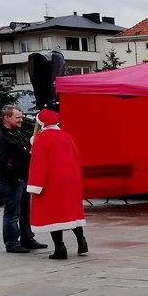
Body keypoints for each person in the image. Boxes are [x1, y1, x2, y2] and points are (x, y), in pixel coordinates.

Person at [27, 109, 88, 260]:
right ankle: (82, 241)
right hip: (70, 179)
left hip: (52, 181)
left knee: (53, 214)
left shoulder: (41, 139)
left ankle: (60, 248)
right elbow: (76, 158)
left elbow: (38, 165)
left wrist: (35, 185)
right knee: (70, 211)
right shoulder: (66, 136)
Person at [0, 105, 47, 253]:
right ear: (7, 118)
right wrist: (15, 177)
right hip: (12, 181)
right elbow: (0, 162)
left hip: (23, 177)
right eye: (18, 117)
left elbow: (24, 152)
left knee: (25, 211)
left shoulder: (16, 132)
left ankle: (27, 238)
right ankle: (12, 243)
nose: (21, 120)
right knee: (12, 213)